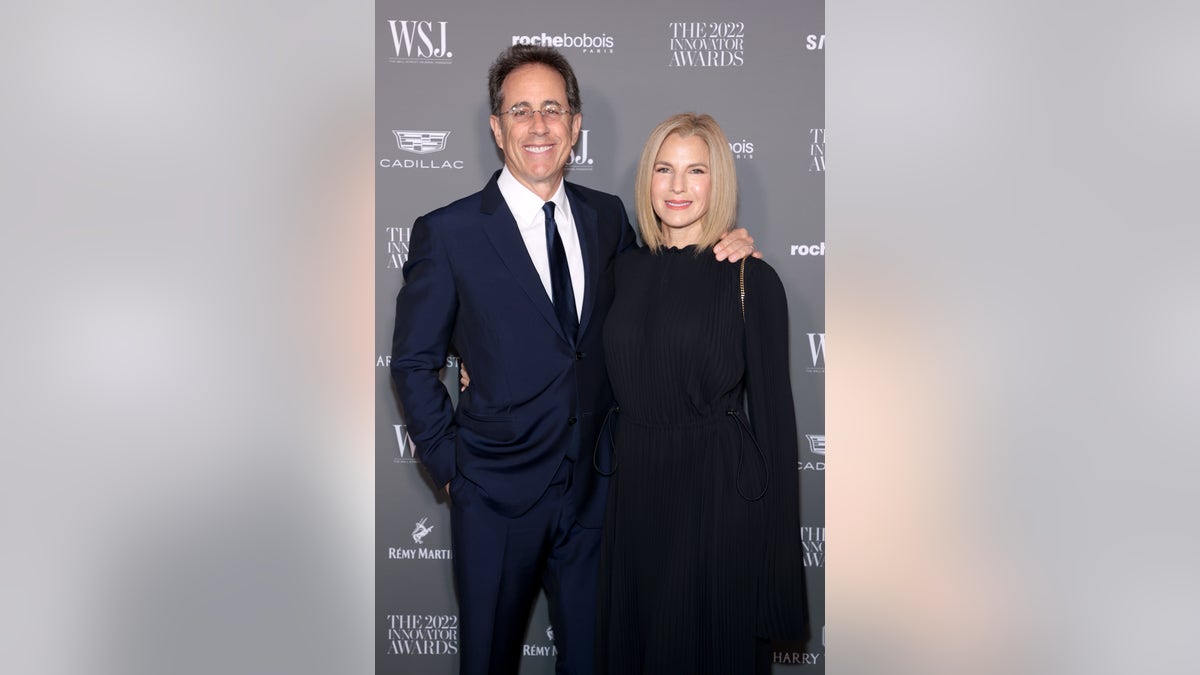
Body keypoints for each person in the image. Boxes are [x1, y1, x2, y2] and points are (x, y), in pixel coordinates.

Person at [389, 47, 756, 675]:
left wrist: (727, 243)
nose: (539, 126)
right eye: (521, 110)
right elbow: (412, 362)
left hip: (597, 497)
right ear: (496, 127)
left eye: (553, 109)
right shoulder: (447, 233)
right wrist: (455, 470)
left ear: (575, 125)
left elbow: (660, 303)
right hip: (495, 498)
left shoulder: (607, 217)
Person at [595, 113, 808, 674]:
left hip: (718, 502)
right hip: (636, 497)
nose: (678, 186)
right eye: (664, 169)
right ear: (647, 180)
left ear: (720, 183)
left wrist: (780, 585)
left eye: (696, 170)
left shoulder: (752, 280)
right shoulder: (621, 271)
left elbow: (777, 431)